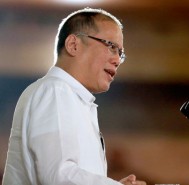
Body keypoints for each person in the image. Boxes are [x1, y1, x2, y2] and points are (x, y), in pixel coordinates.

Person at [2, 7, 146, 185]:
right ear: (73, 45)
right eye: (111, 46)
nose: (117, 60)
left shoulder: (70, 97)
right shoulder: (55, 91)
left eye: (120, 53)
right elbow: (58, 176)